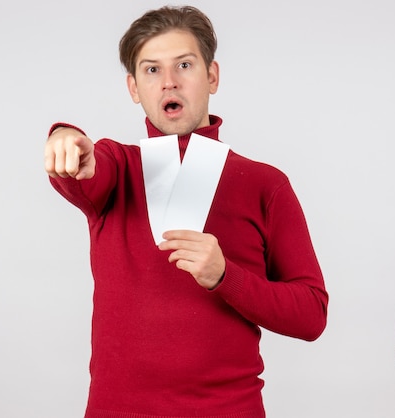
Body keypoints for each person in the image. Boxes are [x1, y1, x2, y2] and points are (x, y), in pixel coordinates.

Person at [44, 5, 328, 418]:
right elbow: (84, 170)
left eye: (184, 65)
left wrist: (226, 277)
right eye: (152, 70)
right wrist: (65, 136)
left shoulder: (266, 184)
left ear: (212, 76)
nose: (169, 82)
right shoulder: (116, 166)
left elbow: (311, 314)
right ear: (134, 87)